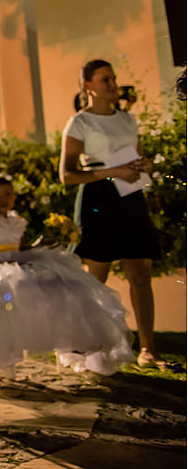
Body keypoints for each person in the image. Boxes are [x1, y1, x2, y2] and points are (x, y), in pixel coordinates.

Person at [0, 174, 134, 375]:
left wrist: (38, 246)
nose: (2, 200)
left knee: (61, 283)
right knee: (7, 290)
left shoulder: (17, 221)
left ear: (14, 197)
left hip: (16, 262)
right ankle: (1, 351)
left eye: (7, 194)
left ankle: (74, 339)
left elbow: (20, 248)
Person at [59, 59, 166, 370]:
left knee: (141, 273)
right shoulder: (79, 123)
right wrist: (110, 172)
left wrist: (144, 165)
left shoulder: (127, 119)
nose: (112, 83)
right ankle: (93, 345)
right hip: (98, 199)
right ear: (87, 86)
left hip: (131, 196)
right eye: (105, 79)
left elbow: (137, 153)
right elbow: (66, 175)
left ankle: (149, 349)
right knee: (98, 278)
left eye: (113, 78)